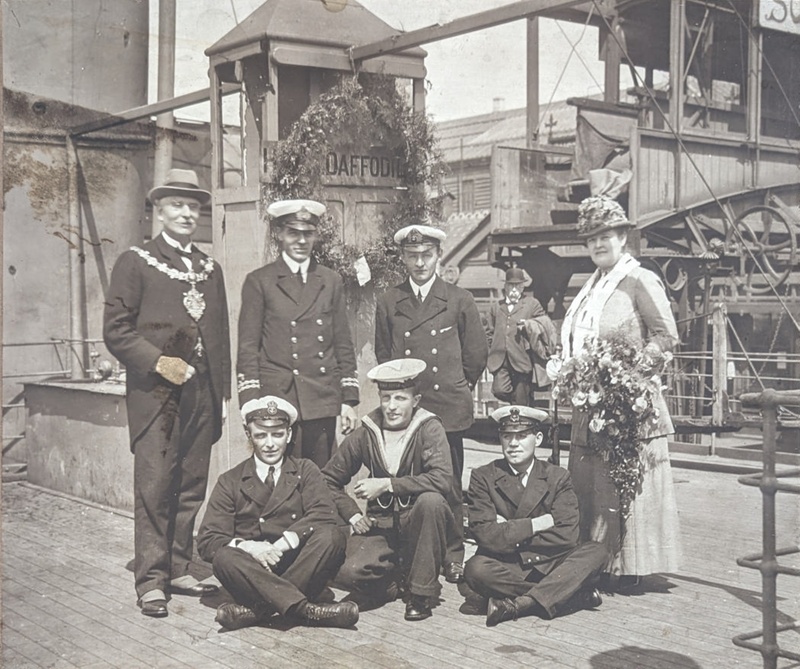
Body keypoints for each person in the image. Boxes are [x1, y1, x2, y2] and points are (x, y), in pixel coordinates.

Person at [103, 168, 230, 617]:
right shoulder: (135, 262)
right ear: (159, 211)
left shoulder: (209, 268)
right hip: (156, 396)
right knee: (156, 486)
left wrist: (222, 397)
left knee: (192, 484)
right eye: (177, 205)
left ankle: (178, 565)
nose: (186, 214)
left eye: (193, 207)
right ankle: (151, 580)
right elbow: (115, 331)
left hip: (202, 396)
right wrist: (157, 361)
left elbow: (220, 334)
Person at [555, 194, 681, 587]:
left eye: (605, 235)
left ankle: (631, 568)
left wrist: (631, 375)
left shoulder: (639, 280)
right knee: (594, 483)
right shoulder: (590, 287)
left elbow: (666, 336)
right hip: (592, 403)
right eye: (591, 237)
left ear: (622, 237)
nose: (598, 243)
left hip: (629, 405)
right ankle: (597, 562)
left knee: (627, 483)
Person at [374, 223, 488, 584]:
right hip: (407, 410)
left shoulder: (459, 299)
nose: (420, 262)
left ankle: (453, 556)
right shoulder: (389, 300)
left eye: (426, 255)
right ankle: (411, 552)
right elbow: (384, 354)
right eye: (412, 256)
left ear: (439, 256)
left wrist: (457, 385)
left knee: (449, 484)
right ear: (403, 258)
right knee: (407, 482)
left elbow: (476, 354)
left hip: (447, 408)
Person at [196, 396, 359, 631]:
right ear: (248, 434)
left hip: (300, 564)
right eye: (261, 435)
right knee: (224, 557)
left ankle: (259, 611)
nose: (270, 444)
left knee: (331, 536)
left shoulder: (306, 470)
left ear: (289, 435)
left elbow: (324, 512)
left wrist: (281, 545)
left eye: (278, 434)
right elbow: (208, 540)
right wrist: (251, 547)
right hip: (254, 571)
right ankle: (308, 610)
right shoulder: (230, 480)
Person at [322, 359, 455, 621]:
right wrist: (352, 515)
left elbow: (442, 479)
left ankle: (420, 593)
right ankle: (396, 582)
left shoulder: (429, 427)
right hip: (380, 525)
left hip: (419, 526)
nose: (391, 406)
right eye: (386, 398)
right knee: (346, 573)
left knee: (432, 501)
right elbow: (327, 479)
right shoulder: (367, 431)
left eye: (400, 398)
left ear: (415, 400)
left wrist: (387, 484)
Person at [237, 199, 359, 469]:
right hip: (277, 398)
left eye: (308, 233)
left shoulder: (330, 281)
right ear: (279, 234)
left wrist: (348, 400)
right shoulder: (260, 281)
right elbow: (248, 348)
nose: (301, 240)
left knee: (321, 479)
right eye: (293, 233)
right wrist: (251, 402)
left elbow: (342, 342)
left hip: (321, 398)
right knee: (280, 480)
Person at [463, 405, 607, 627]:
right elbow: (486, 535)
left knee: (597, 551)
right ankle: (570, 595)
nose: (513, 443)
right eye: (506, 436)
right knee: (475, 569)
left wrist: (508, 528)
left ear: (538, 438)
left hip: (552, 563)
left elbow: (567, 535)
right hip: (509, 566)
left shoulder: (557, 477)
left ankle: (520, 604)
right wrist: (538, 523)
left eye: (521, 436)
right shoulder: (483, 477)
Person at [486, 267, 557, 406]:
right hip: (501, 360)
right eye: (511, 285)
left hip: (522, 358)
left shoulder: (532, 304)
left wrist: (529, 324)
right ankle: (522, 399)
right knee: (499, 390)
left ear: (522, 287)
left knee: (521, 403)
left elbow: (545, 325)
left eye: (517, 286)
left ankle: (522, 411)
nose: (514, 289)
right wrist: (492, 350)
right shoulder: (496, 307)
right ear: (505, 287)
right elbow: (489, 332)